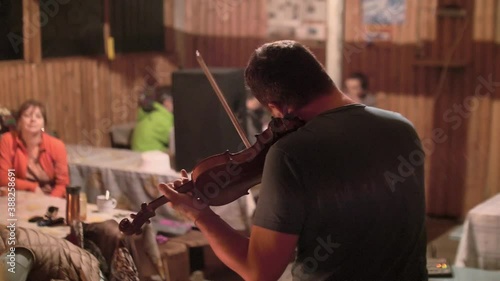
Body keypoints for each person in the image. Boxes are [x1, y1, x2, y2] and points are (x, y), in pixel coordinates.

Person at [158, 40, 427, 280]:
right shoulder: (402, 126)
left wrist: (199, 214)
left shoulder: (290, 153)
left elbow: (258, 271)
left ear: (276, 107)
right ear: (322, 77)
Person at [0, 100, 69, 197]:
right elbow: (3, 178)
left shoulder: (57, 146)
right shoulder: (8, 140)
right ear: (19, 122)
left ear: (43, 124)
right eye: (27, 116)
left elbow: (62, 184)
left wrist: (49, 203)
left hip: (51, 197)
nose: (33, 119)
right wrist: (32, 187)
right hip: (20, 195)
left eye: (38, 116)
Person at [131, 86, 174, 152]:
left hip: (139, 156)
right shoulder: (162, 119)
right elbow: (178, 141)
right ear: (167, 102)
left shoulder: (150, 113)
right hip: (152, 157)